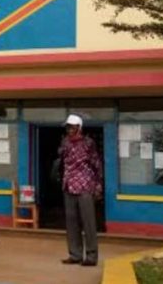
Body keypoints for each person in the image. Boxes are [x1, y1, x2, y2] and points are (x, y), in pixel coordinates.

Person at [58, 114, 102, 267]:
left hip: (85, 186)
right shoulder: (65, 143)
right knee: (71, 222)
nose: (69, 129)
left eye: (72, 127)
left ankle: (91, 256)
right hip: (68, 185)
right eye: (68, 127)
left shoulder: (88, 143)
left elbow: (96, 164)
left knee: (88, 222)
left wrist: (98, 185)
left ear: (79, 127)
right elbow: (62, 163)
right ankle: (75, 254)